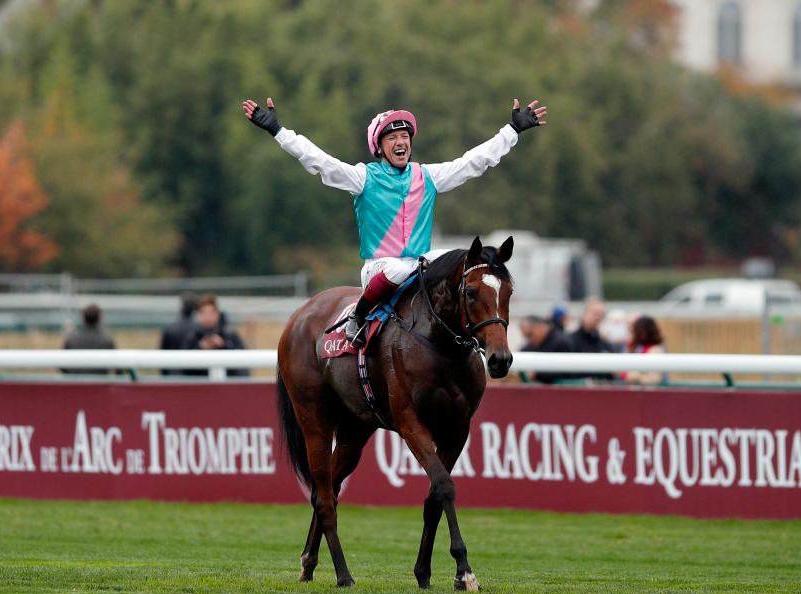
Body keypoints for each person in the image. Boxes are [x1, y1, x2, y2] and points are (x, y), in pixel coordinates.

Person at [243, 95, 547, 345]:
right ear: (379, 147)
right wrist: (279, 132)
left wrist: (511, 131)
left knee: (465, 261)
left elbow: (473, 162)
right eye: (392, 137)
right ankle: (357, 318)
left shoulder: (427, 176)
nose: (401, 142)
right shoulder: (362, 177)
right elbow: (319, 161)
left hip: (420, 262)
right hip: (379, 267)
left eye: (405, 136)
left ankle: (467, 333)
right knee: (397, 268)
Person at [182, 295, 248, 377]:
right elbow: (184, 369)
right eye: (204, 313)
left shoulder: (230, 335)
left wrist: (223, 346)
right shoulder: (191, 337)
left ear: (217, 313)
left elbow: (242, 364)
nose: (208, 317)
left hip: (228, 386)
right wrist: (200, 348)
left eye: (211, 312)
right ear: (198, 315)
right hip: (200, 387)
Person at [62, 304, 116, 375]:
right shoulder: (107, 340)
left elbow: (63, 367)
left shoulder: (71, 338)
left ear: (83, 317)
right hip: (99, 384)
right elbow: (117, 368)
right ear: (99, 318)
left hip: (76, 383)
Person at [519, 315, 573, 384]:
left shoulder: (563, 342)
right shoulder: (529, 346)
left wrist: (537, 374)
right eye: (526, 337)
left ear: (540, 326)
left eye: (530, 335)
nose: (529, 340)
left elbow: (566, 371)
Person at [159, 293, 198, 376]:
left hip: (172, 374)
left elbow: (162, 353)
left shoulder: (169, 328)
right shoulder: (199, 328)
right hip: (194, 376)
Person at [624, 315, 666, 386]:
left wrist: (635, 376)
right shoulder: (636, 347)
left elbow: (654, 379)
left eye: (634, 330)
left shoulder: (655, 350)